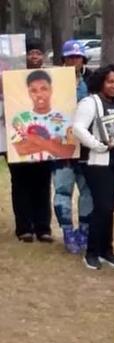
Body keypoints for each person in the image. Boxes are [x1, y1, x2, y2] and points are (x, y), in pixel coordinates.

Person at [73, 64, 114, 270]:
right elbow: (78, 129)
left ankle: (106, 251)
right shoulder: (90, 102)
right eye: (110, 81)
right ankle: (91, 252)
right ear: (101, 81)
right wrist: (98, 146)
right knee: (103, 207)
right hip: (100, 162)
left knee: (110, 209)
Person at [48, 40, 94, 254]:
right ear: (63, 59)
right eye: (70, 57)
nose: (74, 60)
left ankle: (84, 230)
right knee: (63, 189)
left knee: (87, 190)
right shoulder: (52, 80)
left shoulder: (94, 79)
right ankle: (67, 231)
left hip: (87, 146)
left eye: (78, 57)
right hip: (61, 145)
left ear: (84, 59)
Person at [6, 38, 54, 243]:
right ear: (24, 56)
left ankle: (43, 228)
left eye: (37, 52)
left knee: (43, 183)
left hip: (45, 138)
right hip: (18, 138)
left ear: (43, 56)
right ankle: (24, 228)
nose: (34, 56)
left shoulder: (53, 78)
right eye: (30, 52)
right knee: (20, 183)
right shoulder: (10, 78)